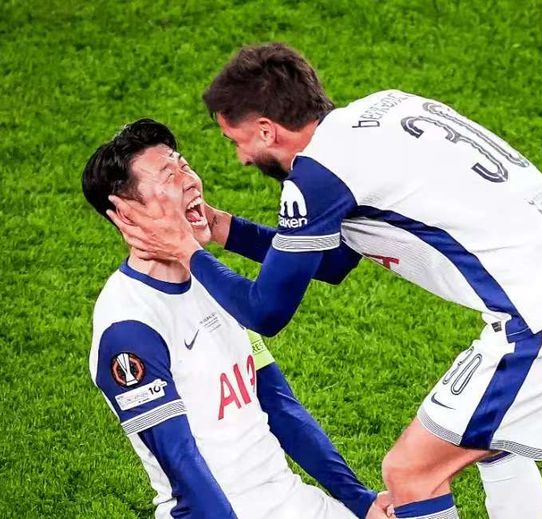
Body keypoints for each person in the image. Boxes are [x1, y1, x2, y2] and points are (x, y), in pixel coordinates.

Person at [107, 44, 542, 519]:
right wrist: (224, 230)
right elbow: (334, 261)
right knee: (496, 447)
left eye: (238, 140)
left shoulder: (316, 178)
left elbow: (265, 312)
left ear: (267, 129)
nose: (242, 158)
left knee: (410, 473)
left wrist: (185, 249)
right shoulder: (386, 110)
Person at [82, 119, 388, 519]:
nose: (190, 181)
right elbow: (184, 470)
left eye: (184, 165)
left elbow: (279, 405)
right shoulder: (130, 326)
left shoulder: (212, 284)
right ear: (126, 212)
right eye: (169, 176)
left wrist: (361, 501)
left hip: (288, 498)